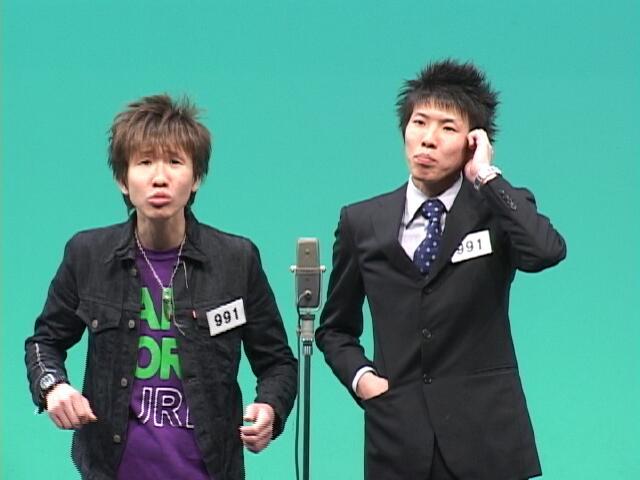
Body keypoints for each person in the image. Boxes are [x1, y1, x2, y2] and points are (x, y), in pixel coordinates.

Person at [315, 59, 567, 480]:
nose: (428, 139)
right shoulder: (361, 221)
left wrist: (485, 175)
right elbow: (335, 329)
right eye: (419, 123)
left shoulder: (496, 208)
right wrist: (363, 380)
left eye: (447, 128)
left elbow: (545, 251)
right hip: (398, 441)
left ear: (472, 141)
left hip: (487, 443)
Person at [24, 94, 297, 480]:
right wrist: (53, 387)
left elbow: (278, 363)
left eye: (174, 161)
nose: (159, 177)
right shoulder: (87, 255)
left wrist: (270, 407)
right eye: (145, 162)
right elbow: (43, 343)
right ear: (122, 179)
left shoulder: (237, 260)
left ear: (196, 177)